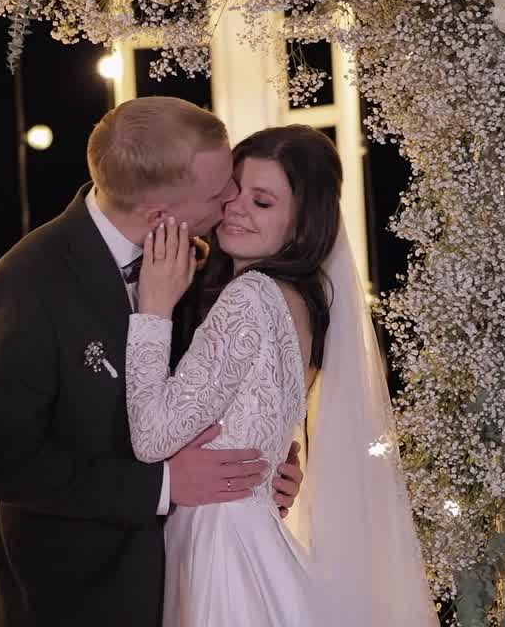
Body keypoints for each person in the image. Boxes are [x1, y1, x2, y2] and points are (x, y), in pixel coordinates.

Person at [0, 97, 304, 627]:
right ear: (159, 216)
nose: (233, 200)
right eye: (220, 191)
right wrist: (163, 487)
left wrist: (266, 461)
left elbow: (221, 391)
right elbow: (3, 463)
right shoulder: (27, 283)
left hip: (194, 583)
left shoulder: (212, 260)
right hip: (75, 599)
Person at [126, 125, 437, 627]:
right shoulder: (301, 302)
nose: (236, 208)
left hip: (221, 545)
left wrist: (153, 311)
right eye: (234, 190)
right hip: (246, 530)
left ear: (302, 224)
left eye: (263, 201)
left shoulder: (250, 297)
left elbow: (152, 436)